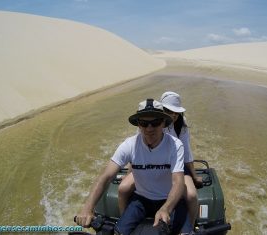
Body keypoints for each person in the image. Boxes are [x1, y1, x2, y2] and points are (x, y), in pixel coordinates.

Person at [75, 98, 193, 235]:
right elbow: (105, 177)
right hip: (141, 200)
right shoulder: (129, 145)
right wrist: (88, 208)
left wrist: (166, 208)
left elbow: (178, 182)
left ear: (163, 123)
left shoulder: (175, 145)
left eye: (155, 123)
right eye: (144, 123)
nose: (149, 128)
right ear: (138, 124)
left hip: (170, 200)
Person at [118, 91, 202, 226]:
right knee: (123, 188)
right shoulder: (147, 124)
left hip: (176, 166)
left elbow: (186, 152)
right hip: (149, 165)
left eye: (176, 112)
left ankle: (190, 227)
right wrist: (129, 173)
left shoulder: (181, 125)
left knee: (191, 195)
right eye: (169, 111)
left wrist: (194, 175)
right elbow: (137, 151)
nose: (174, 115)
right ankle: (124, 220)